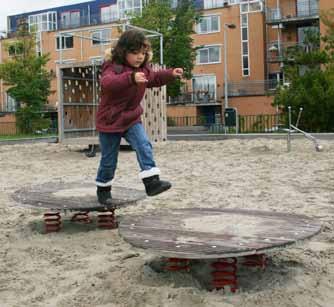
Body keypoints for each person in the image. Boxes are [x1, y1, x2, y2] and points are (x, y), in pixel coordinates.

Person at [95, 29, 183, 205]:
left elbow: (155, 78)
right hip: (110, 120)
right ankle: (103, 191)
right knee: (109, 159)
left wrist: (170, 73)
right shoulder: (113, 67)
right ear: (123, 52)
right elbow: (108, 83)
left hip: (131, 118)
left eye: (143, 53)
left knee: (144, 145)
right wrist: (131, 78)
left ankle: (152, 182)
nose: (139, 57)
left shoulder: (143, 69)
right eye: (134, 53)